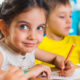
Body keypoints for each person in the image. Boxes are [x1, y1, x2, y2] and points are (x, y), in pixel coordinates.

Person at [0, 0, 75, 79]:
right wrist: (30, 71)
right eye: (24, 26)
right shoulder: (2, 53)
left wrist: (64, 64)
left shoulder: (31, 49)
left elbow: (55, 58)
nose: (33, 36)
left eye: (39, 28)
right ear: (5, 28)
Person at [36, 0, 80, 67]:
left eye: (70, 16)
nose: (69, 21)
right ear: (45, 20)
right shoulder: (37, 46)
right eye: (62, 16)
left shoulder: (78, 41)